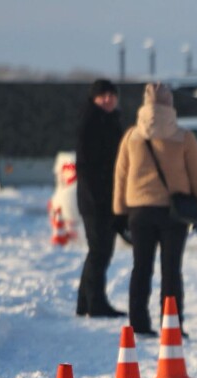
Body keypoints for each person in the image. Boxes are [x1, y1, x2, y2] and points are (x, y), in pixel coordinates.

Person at [113, 83, 197, 337]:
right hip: (173, 213)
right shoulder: (183, 136)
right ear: (170, 104)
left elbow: (121, 176)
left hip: (139, 211)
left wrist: (119, 212)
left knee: (141, 268)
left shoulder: (132, 136)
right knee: (171, 270)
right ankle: (173, 326)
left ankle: (139, 324)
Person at [74, 79, 126, 318]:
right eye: (102, 96)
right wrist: (98, 198)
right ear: (94, 98)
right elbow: (87, 167)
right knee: (100, 250)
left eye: (111, 96)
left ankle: (86, 301)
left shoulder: (111, 120)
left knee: (99, 250)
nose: (108, 100)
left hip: (106, 198)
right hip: (96, 200)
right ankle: (96, 303)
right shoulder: (92, 121)